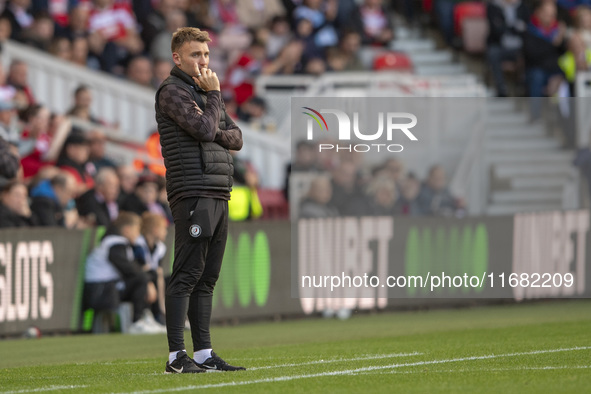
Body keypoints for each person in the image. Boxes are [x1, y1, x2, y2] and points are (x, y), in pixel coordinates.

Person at [155, 27, 244, 373]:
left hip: (218, 190)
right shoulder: (173, 91)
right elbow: (208, 131)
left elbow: (236, 138)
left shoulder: (203, 93)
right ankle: (176, 356)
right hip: (192, 189)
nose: (203, 61)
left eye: (206, 55)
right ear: (177, 57)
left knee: (207, 278)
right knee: (186, 274)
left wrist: (213, 114)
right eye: (196, 54)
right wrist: (215, 99)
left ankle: (204, 354)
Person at [83, 212, 166, 334]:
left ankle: (148, 317)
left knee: (149, 274)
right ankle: (136, 322)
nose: (138, 234)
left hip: (108, 287)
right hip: (101, 290)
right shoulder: (115, 243)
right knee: (142, 278)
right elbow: (126, 268)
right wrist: (147, 282)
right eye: (137, 230)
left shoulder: (119, 243)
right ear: (127, 230)